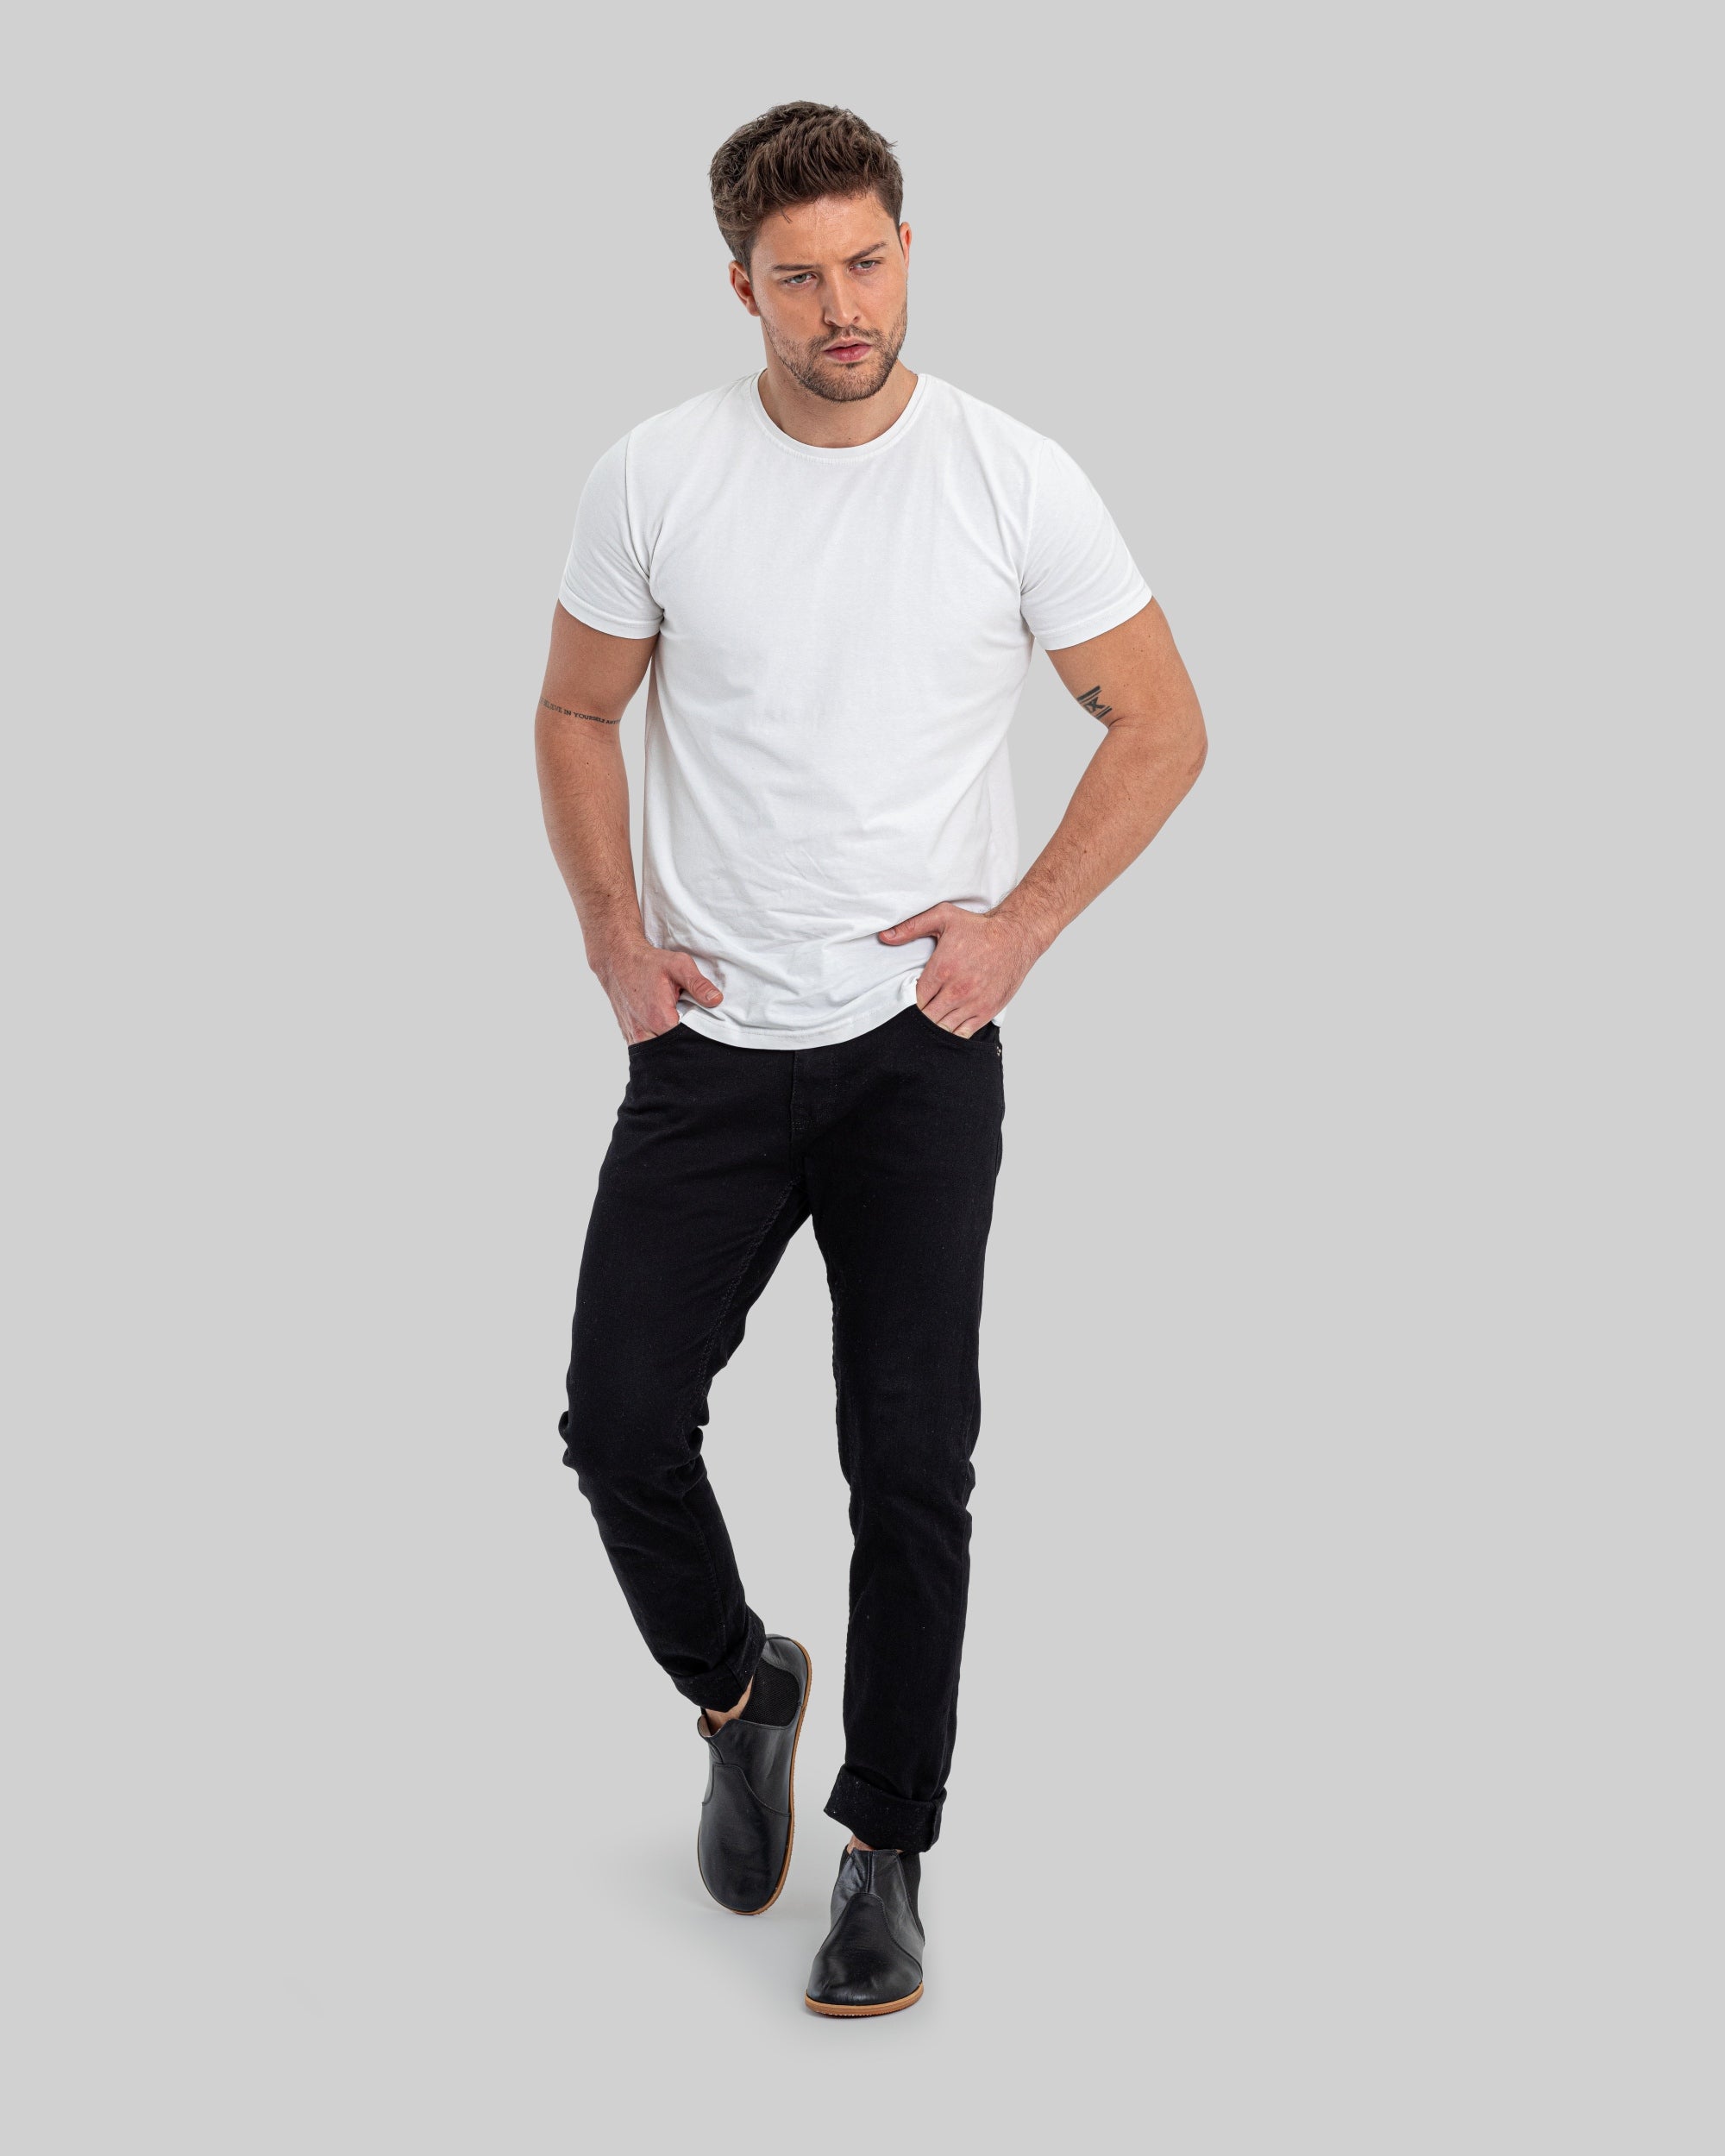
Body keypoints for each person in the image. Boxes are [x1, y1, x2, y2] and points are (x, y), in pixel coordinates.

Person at [535, 100, 1206, 2017]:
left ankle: (885, 1846)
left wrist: (1018, 930)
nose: (842, 306)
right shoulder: (656, 475)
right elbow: (577, 710)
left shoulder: (1011, 479)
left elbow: (1161, 724)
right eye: (798, 276)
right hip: (710, 1044)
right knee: (617, 1424)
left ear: (909, 248)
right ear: (739, 285)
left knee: (910, 1467)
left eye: (867, 262)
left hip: (919, 1045)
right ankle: (740, 1689)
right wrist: (613, 942)